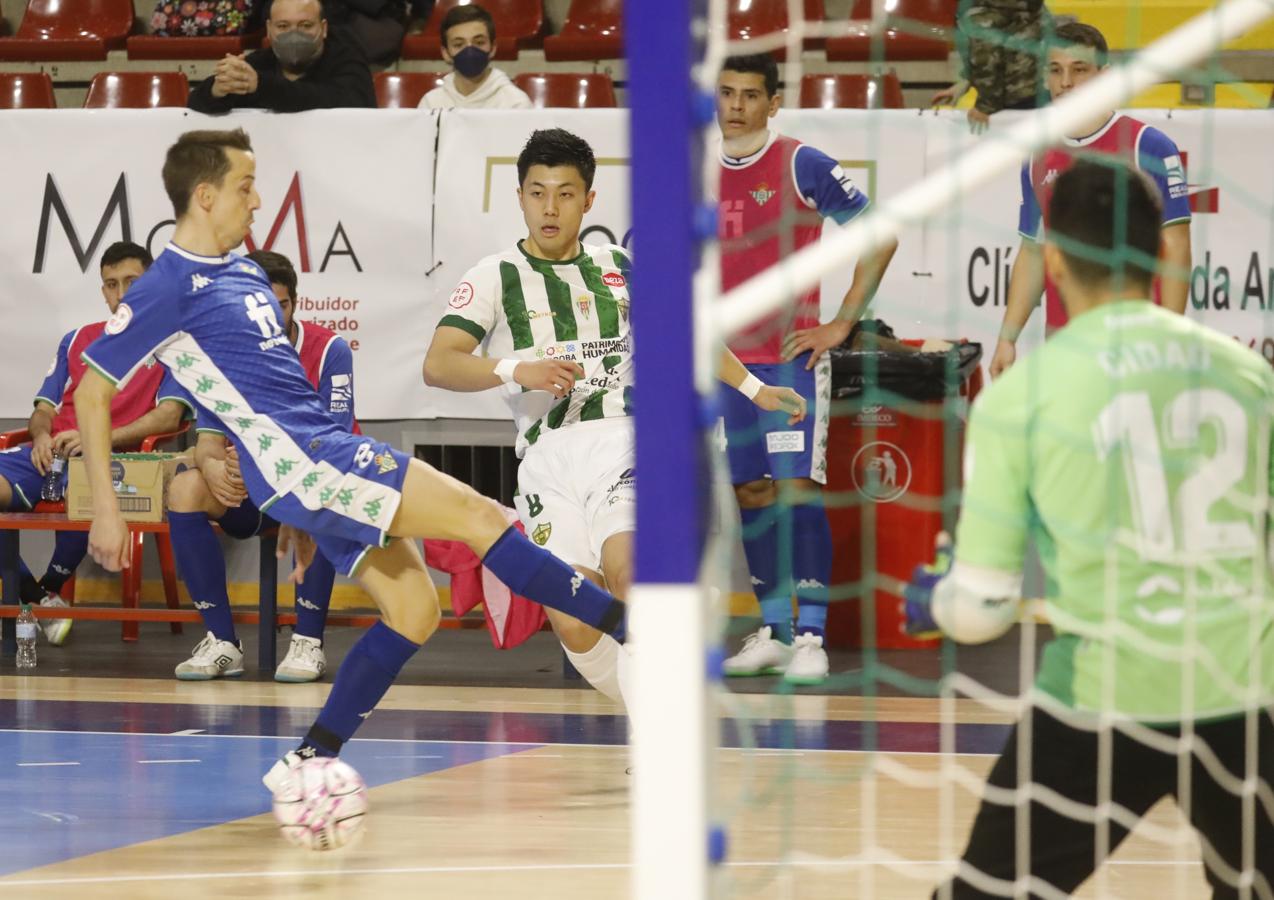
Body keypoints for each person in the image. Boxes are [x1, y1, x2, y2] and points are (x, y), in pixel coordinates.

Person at [74, 129, 631, 794]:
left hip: (313, 467)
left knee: (414, 610)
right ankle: (633, 629)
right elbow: (91, 393)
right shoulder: (165, 287)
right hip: (306, 463)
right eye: (245, 187)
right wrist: (108, 513)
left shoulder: (246, 270)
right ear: (205, 194)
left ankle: (304, 765)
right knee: (480, 516)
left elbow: (253, 383)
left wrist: (311, 514)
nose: (257, 202)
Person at [907, 159, 1273, 898]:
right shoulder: (1247, 375)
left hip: (1106, 695)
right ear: (1155, 254)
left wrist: (935, 601)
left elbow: (980, 612)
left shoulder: (1025, 395)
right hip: (1248, 687)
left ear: (1055, 258)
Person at [424, 128, 806, 707]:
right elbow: (439, 364)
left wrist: (756, 388)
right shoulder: (493, 275)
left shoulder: (620, 265)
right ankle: (653, 712)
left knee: (630, 573)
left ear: (589, 200)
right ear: (520, 196)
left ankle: (659, 736)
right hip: (548, 461)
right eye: (537, 192)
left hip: (625, 444)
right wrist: (514, 370)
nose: (550, 208)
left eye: (565, 193)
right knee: (577, 618)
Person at [714, 52, 898, 685]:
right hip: (726, 367)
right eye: (727, 92)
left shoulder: (801, 163)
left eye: (750, 95)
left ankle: (813, 637)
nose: (736, 105)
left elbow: (882, 234)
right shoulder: (692, 172)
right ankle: (774, 631)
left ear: (772, 103)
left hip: (790, 363)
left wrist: (841, 322)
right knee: (752, 493)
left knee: (796, 492)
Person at [166, 249, 355, 683]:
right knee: (185, 488)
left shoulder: (330, 351)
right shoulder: (223, 352)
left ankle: (308, 641)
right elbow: (208, 443)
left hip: (305, 484)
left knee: (322, 485)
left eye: (281, 305)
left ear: (295, 303)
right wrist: (213, 466)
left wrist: (257, 464)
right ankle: (222, 643)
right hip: (247, 493)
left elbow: (332, 443)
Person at [0, 241, 190, 647]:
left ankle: (42, 592)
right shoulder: (76, 340)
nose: (121, 294)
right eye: (111, 284)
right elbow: (43, 409)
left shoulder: (177, 346)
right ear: (103, 291)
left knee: (85, 486)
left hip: (114, 462)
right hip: (48, 457)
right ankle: (39, 599)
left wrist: (94, 439)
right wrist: (40, 436)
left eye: (132, 282)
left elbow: (168, 418)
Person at [989, 21, 1193, 378]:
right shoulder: (1037, 156)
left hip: (1138, 344)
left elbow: (1176, 247)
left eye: (1079, 70)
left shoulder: (1149, 146)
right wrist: (1007, 338)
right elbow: (1034, 251)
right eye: (1056, 70)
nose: (1066, 82)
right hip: (1064, 340)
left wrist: (1169, 341)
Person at [188, 0, 376, 115]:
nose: (294, 34)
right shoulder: (259, 63)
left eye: (305, 25)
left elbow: (340, 101)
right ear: (269, 30)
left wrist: (262, 86)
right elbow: (195, 103)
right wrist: (217, 89)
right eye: (283, 26)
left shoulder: (348, 59)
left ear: (324, 28)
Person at [931, 0, 1049, 133]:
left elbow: (986, 59)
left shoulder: (979, 13)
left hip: (1013, 99)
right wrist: (966, 81)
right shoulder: (1026, 5)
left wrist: (985, 107)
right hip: (1041, 92)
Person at [418, 3, 531, 110]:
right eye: (458, 44)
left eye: (479, 42)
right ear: (445, 53)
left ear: (493, 48)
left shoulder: (516, 103)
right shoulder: (431, 104)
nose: (470, 51)